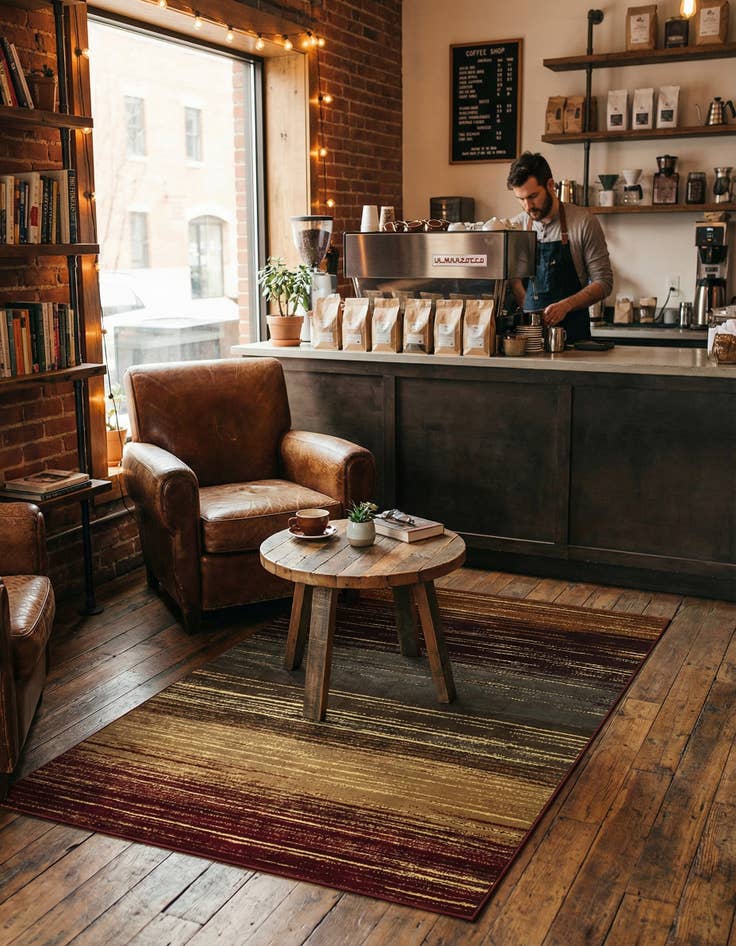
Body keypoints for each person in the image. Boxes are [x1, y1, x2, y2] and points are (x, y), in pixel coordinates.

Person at [507, 152, 613, 343]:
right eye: (520, 199)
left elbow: (604, 282)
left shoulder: (583, 222)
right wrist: (524, 300)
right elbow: (513, 277)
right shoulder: (516, 227)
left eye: (533, 196)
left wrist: (567, 305)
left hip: (573, 338)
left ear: (550, 186)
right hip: (529, 339)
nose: (527, 206)